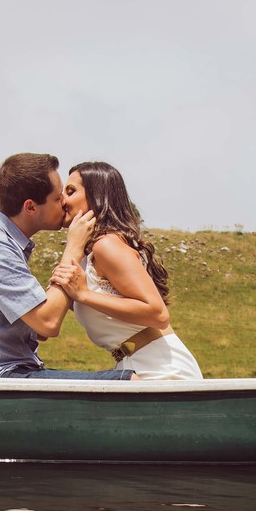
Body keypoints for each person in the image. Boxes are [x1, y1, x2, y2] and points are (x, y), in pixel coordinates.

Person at [0, 153, 135, 380]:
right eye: (57, 197)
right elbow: (47, 324)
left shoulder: (4, 244)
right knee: (127, 382)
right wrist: (73, 248)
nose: (64, 202)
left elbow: (37, 329)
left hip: (5, 371)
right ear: (30, 207)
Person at [50, 161, 203, 380]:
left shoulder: (107, 246)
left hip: (161, 368)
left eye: (71, 191)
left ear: (96, 197)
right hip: (136, 363)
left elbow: (158, 314)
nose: (62, 199)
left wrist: (84, 295)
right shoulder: (88, 255)